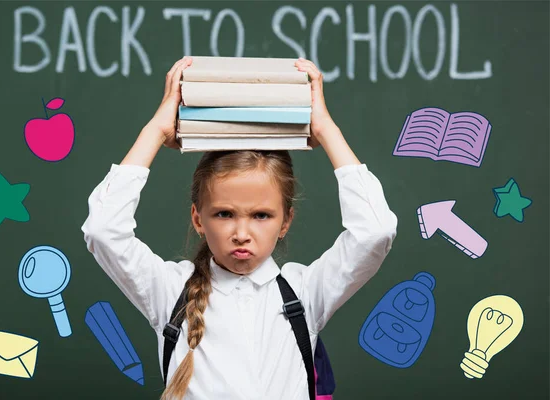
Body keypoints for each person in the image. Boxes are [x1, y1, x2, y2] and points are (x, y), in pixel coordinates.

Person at [81, 56, 398, 400]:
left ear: (285, 222)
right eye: (224, 214)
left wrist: (326, 130)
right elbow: (103, 230)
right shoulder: (170, 290)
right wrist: (156, 131)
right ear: (197, 218)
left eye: (261, 215)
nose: (241, 233)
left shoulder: (305, 292)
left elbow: (375, 232)